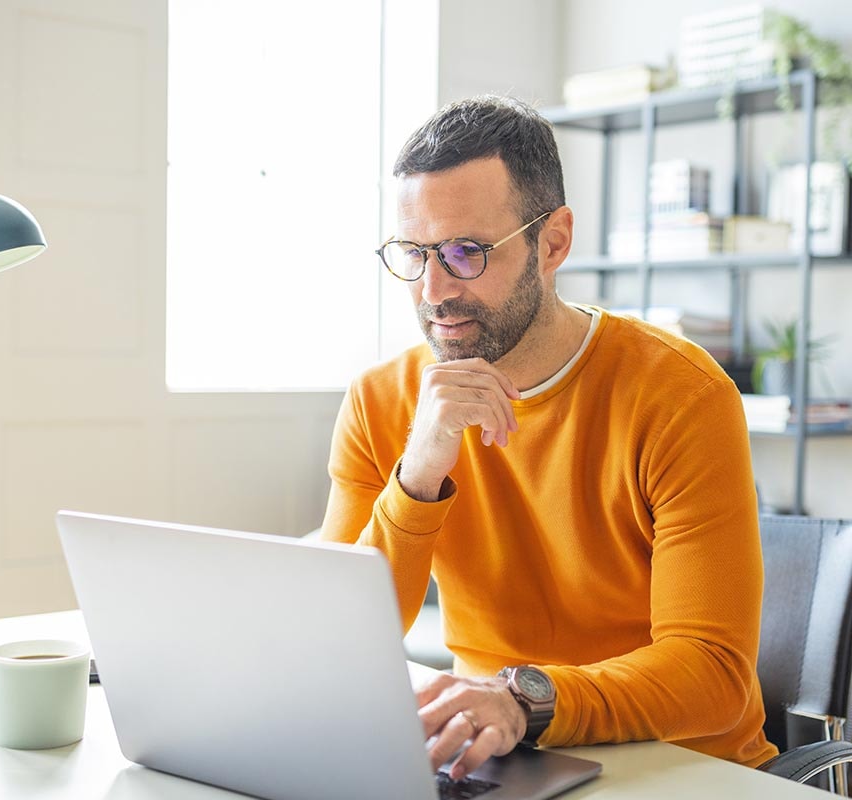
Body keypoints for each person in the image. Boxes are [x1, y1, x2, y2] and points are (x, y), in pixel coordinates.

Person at [320, 95, 776, 780]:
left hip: (684, 766)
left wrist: (519, 700)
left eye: (465, 252)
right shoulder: (382, 400)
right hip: (490, 759)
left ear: (554, 242)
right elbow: (337, 641)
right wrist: (417, 476)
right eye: (414, 254)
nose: (433, 290)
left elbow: (711, 675)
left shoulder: (682, 395)